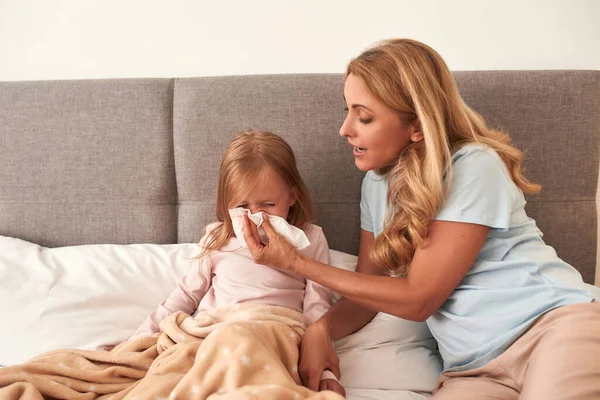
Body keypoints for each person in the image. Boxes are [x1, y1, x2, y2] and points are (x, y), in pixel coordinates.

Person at [242, 39, 600, 399]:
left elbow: (419, 299)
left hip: (551, 328)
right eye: (348, 111)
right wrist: (322, 329)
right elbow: (368, 291)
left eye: (363, 116)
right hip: (472, 369)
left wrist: (296, 262)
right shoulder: (375, 185)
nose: (345, 129)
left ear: (416, 125)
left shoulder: (472, 166)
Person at [134, 129, 345, 396]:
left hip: (275, 331)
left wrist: (324, 370)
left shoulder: (310, 239)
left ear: (292, 197)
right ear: (226, 204)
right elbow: (185, 295)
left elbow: (317, 308)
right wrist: (137, 341)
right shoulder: (216, 237)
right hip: (217, 332)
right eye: (242, 207)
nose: (255, 217)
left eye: (268, 204)